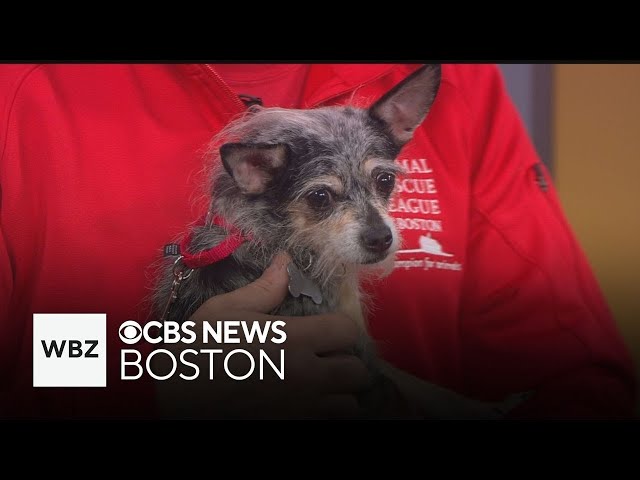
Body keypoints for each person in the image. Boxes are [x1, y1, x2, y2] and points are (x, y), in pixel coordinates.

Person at [0, 63, 636, 419]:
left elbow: (582, 389)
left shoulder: (448, 85)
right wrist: (155, 373)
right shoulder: (22, 96)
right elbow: (45, 354)